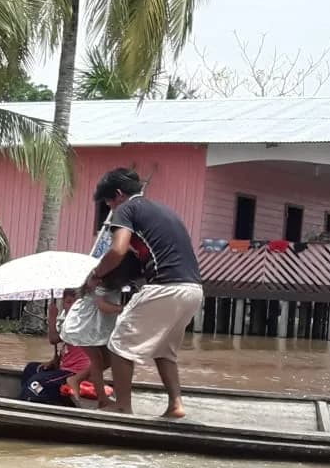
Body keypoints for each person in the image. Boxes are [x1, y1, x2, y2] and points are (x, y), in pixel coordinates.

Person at [88, 168, 204, 418]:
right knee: (164, 350)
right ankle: (176, 405)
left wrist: (96, 275)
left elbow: (117, 251)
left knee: (118, 345)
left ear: (118, 195)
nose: (109, 207)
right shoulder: (163, 210)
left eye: (108, 201)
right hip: (193, 289)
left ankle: (122, 406)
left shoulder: (125, 210)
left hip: (165, 286)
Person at [60, 268, 130, 409]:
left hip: (99, 324)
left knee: (109, 359)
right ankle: (102, 398)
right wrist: (123, 309)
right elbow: (102, 305)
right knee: (97, 360)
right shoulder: (98, 278)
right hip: (85, 324)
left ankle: (76, 378)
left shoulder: (113, 280)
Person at [18, 289, 91, 405]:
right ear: (63, 304)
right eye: (68, 302)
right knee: (31, 368)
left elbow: (53, 339)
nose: (72, 306)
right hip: (65, 369)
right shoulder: (69, 322)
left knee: (36, 382)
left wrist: (52, 317)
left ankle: (30, 402)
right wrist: (53, 361)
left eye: (76, 303)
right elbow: (68, 349)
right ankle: (27, 399)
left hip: (74, 373)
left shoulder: (81, 322)